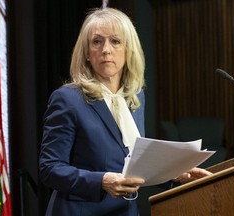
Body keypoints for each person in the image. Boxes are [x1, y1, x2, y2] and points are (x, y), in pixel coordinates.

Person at [39, 7, 212, 216]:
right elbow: (50, 168)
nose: (106, 49)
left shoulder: (135, 97)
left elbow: (135, 164)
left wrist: (173, 174)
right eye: (97, 42)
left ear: (128, 49)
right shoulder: (68, 99)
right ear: (86, 51)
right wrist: (101, 181)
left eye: (115, 41)